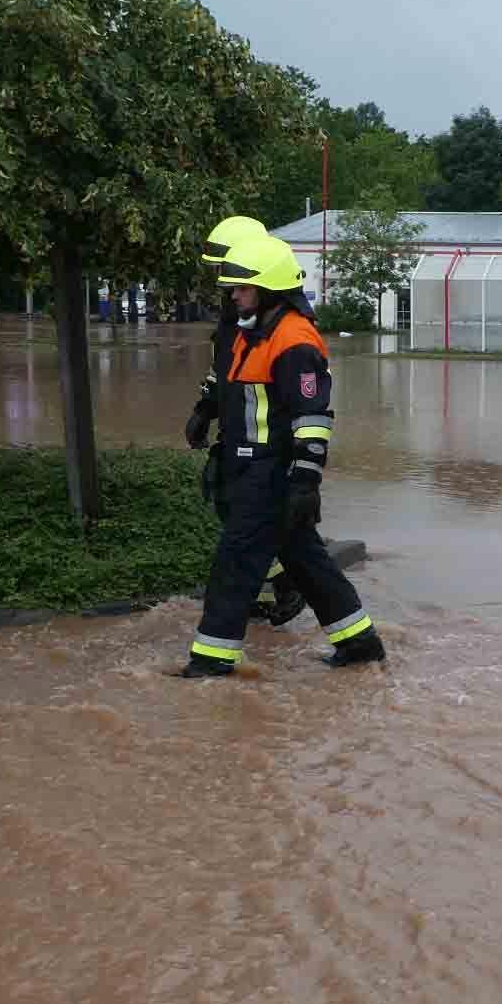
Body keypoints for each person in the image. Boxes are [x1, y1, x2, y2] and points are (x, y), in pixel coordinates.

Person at [181, 231, 383, 677]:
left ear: (269, 289)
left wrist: (306, 482)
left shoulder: (293, 342)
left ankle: (210, 664)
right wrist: (206, 409)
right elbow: (230, 383)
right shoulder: (250, 333)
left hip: (271, 472)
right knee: (307, 563)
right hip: (248, 465)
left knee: (235, 565)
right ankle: (359, 644)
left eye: (242, 288)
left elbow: (312, 418)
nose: (234, 296)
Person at [184, 216, 305, 628]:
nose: (221, 278)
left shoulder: (269, 319)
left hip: (266, 445)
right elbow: (224, 370)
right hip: (238, 431)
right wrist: (205, 408)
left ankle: (286, 581)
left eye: (226, 267)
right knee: (230, 505)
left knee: (252, 522)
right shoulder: (235, 311)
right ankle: (272, 582)